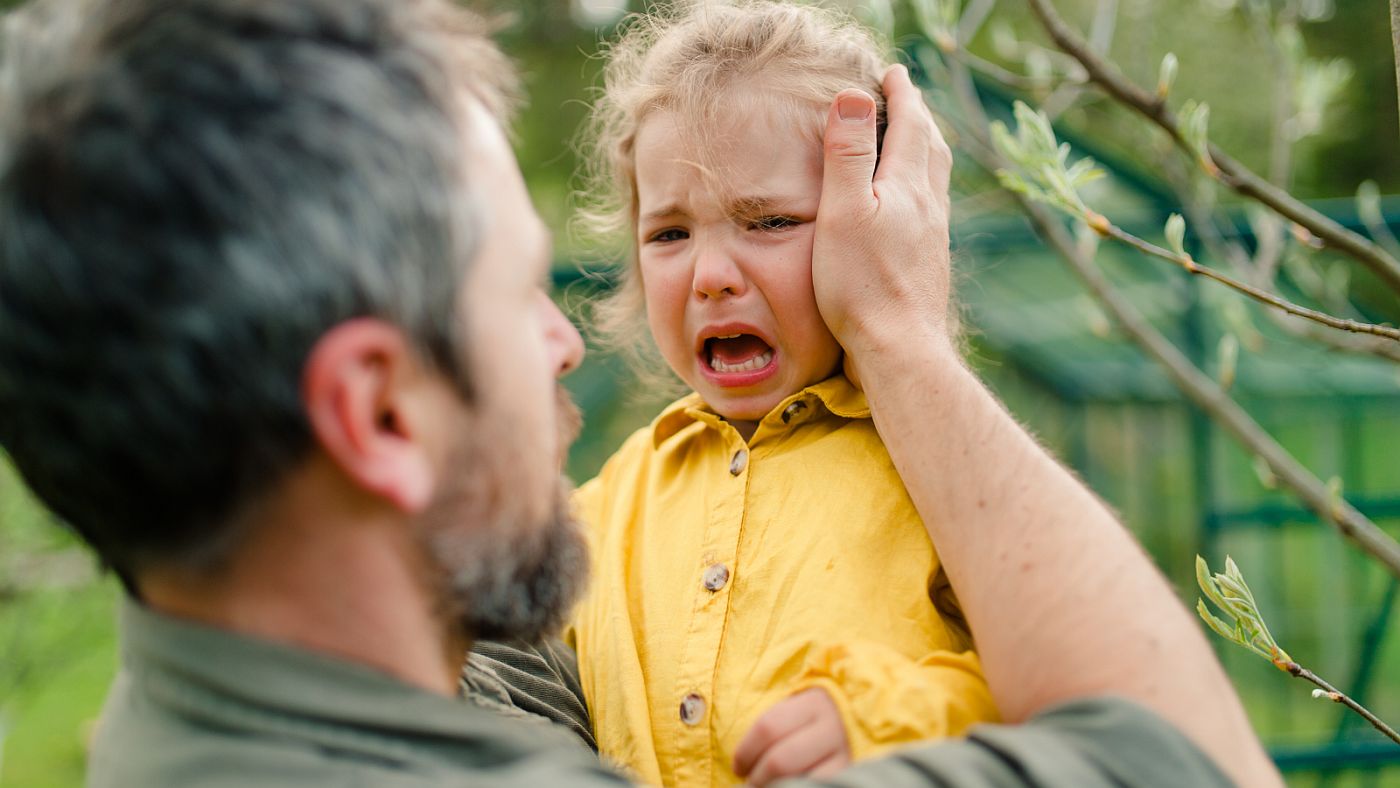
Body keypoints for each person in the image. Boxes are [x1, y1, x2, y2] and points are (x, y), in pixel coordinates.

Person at [0, 0, 1279, 786]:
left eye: (770, 220)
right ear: (380, 416)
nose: (564, 339)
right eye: (519, 291)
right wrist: (904, 320)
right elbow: (1191, 760)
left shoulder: (170, 713)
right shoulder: (611, 510)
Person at [566, 5, 995, 784]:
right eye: (669, 234)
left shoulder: (942, 469)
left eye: (767, 221)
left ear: (870, 229)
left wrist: (883, 718)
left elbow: (1053, 684)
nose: (711, 275)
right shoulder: (599, 512)